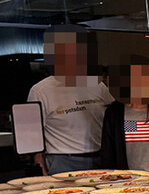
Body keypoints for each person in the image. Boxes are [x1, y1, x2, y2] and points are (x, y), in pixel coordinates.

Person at [27, 24, 114, 175]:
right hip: (63, 162)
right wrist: (40, 166)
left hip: (100, 158)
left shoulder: (96, 84)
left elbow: (115, 118)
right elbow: (32, 135)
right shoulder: (40, 91)